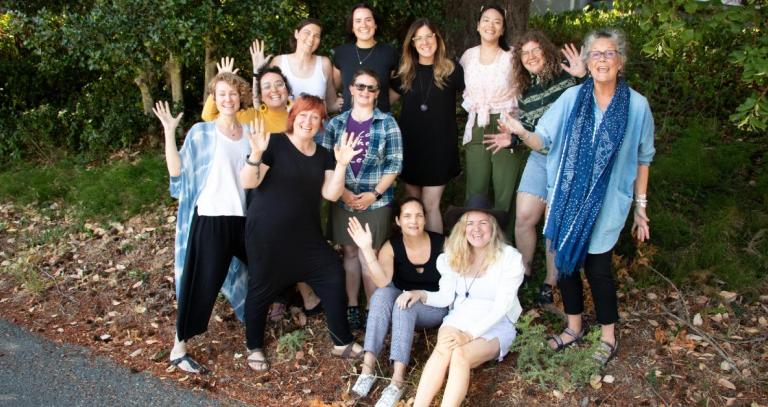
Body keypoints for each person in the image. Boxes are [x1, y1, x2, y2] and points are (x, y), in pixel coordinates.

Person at [500, 28, 655, 366]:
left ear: (621, 60)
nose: (602, 59)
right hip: (567, 198)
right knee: (566, 265)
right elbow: (543, 141)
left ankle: (608, 335)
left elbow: (644, 158)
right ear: (586, 60)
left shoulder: (638, 107)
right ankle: (573, 327)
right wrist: (521, 131)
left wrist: (641, 209)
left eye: (608, 53)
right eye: (595, 54)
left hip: (608, 202)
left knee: (598, 268)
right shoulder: (570, 100)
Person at [240, 94, 364, 372]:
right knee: (260, 289)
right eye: (303, 115)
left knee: (332, 273)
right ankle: (254, 345)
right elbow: (248, 181)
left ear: (321, 123)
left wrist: (342, 164)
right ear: (293, 117)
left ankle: (341, 341)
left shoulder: (322, 155)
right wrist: (256, 154)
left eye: (315, 116)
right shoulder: (274, 143)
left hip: (306, 237)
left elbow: (331, 194)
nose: (308, 121)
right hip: (268, 235)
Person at [202, 57, 322, 319]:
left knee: (294, 232)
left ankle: (303, 291)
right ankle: (280, 295)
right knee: (269, 240)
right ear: (260, 94)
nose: (274, 90)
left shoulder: (298, 115)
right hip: (259, 189)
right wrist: (221, 80)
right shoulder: (254, 116)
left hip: (295, 190)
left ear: (287, 89)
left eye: (279, 84)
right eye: (267, 87)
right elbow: (209, 115)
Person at [153, 72, 252, 374]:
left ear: (241, 97)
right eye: (221, 93)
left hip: (244, 220)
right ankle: (178, 347)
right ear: (214, 98)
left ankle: (256, 333)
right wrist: (170, 132)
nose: (228, 98)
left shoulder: (249, 132)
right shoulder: (201, 132)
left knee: (260, 272)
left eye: (233, 93)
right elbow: (178, 172)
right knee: (202, 284)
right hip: (211, 219)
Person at [483, 30, 586, 304]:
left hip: (567, 161)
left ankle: (550, 281)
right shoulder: (527, 91)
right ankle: (525, 271)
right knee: (525, 217)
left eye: (534, 51)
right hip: (539, 157)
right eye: (524, 54)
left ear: (546, 52)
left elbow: (593, 102)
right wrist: (513, 138)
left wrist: (583, 76)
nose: (530, 57)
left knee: (553, 222)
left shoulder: (568, 79)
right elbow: (530, 130)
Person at [397, 196, 525, 406]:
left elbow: (501, 306)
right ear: (462, 229)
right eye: (470, 223)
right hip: (460, 318)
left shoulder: (509, 259)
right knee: (443, 349)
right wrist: (421, 294)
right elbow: (447, 297)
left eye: (483, 223)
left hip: (497, 323)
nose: (476, 229)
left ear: (492, 228)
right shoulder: (453, 257)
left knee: (461, 355)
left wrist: (469, 335)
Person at [321, 69, 403, 331]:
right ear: (351, 90)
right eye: (361, 86)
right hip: (343, 199)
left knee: (371, 254)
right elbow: (327, 164)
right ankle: (353, 305)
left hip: (376, 201)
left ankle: (373, 307)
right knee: (350, 252)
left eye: (371, 88)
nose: (365, 92)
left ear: (377, 93)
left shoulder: (387, 123)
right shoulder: (335, 125)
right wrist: (344, 193)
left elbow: (395, 164)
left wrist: (374, 194)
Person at [346, 198, 447, 407]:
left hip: (434, 304)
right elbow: (382, 281)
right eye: (407, 216)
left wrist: (418, 294)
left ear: (425, 219)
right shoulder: (392, 246)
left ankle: (397, 380)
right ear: (398, 221)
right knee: (382, 295)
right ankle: (367, 369)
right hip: (403, 299)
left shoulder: (441, 243)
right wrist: (365, 248)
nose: (414, 221)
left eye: (419, 215)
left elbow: (452, 287)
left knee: (404, 304)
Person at [390, 19, 464, 233]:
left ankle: (434, 261)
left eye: (428, 36)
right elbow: (384, 102)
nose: (424, 42)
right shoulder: (405, 72)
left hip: (439, 148)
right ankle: (413, 256)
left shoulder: (452, 70)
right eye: (419, 38)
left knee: (431, 206)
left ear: (437, 39)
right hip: (411, 147)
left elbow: (476, 95)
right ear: (412, 43)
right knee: (412, 204)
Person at [459, 4, 522, 239]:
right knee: (476, 188)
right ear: (478, 25)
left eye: (497, 21)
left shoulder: (513, 56)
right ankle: (474, 243)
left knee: (504, 191)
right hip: (477, 122)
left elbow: (527, 91)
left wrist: (516, 133)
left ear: (503, 28)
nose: (491, 25)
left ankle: (504, 246)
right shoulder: (468, 56)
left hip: (505, 123)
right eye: (486, 20)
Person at [249, 19, 341, 111]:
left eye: (316, 36)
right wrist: (257, 72)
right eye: (307, 32)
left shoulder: (324, 63)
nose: (311, 39)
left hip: (318, 124)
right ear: (296, 34)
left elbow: (331, 104)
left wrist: (351, 98)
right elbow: (264, 99)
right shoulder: (279, 62)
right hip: (283, 124)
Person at [332, 3, 399, 113]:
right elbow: (333, 86)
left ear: (375, 24)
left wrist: (379, 104)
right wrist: (335, 103)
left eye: (368, 20)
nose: (363, 25)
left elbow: (398, 87)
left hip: (380, 123)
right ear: (352, 28)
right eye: (358, 21)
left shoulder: (389, 52)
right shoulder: (341, 53)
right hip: (348, 122)